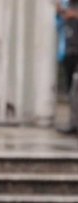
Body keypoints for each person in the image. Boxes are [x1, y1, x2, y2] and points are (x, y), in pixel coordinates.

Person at [56, 0, 78, 134]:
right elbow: (59, 25)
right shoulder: (66, 5)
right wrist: (60, 14)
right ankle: (74, 123)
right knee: (71, 90)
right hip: (69, 52)